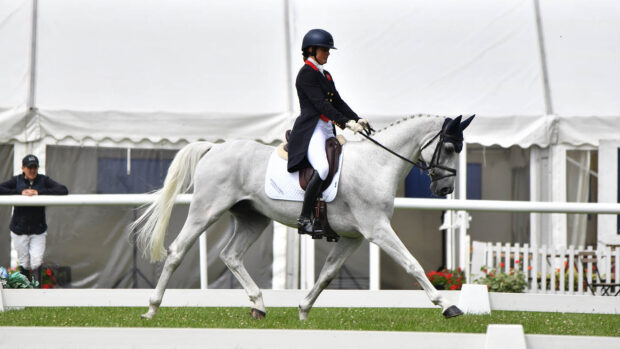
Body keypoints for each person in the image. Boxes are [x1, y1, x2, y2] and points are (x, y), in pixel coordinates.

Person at [287, 29, 372, 237]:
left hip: (326, 128)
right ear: (311, 50)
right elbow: (321, 105)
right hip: (312, 128)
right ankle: (305, 218)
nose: (328, 53)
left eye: (328, 49)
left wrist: (356, 118)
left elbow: (338, 102)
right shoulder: (306, 74)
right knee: (323, 169)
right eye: (324, 49)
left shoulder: (325, 74)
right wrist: (346, 123)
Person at [0, 154, 68, 286]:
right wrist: (20, 192)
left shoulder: (43, 180)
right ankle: (25, 293)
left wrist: (38, 192)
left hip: (38, 229)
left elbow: (63, 190)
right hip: (19, 229)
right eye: (29, 167)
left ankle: (37, 294)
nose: (32, 170)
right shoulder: (17, 180)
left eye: (35, 167)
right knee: (24, 262)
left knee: (37, 261)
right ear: (23, 168)